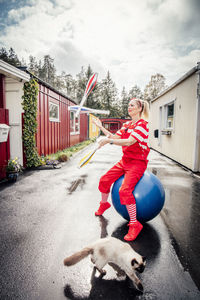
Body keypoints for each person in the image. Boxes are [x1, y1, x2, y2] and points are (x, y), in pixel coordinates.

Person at [93, 98, 150, 241]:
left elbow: (129, 141)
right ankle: (104, 204)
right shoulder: (126, 125)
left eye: (132, 105)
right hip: (125, 161)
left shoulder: (143, 125)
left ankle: (134, 224)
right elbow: (114, 137)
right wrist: (101, 128)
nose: (129, 107)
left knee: (124, 190)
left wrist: (108, 141)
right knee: (104, 180)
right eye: (128, 105)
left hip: (137, 163)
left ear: (139, 108)